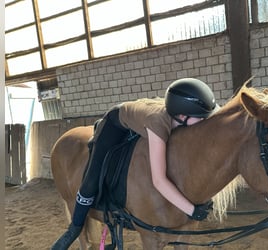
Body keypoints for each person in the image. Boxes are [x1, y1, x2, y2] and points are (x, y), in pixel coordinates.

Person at [51, 78, 219, 249]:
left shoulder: (183, 122)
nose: (204, 121)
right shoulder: (158, 125)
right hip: (116, 122)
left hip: (141, 117)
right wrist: (192, 210)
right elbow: (159, 181)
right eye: (201, 118)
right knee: (90, 181)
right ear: (182, 116)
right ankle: (74, 228)